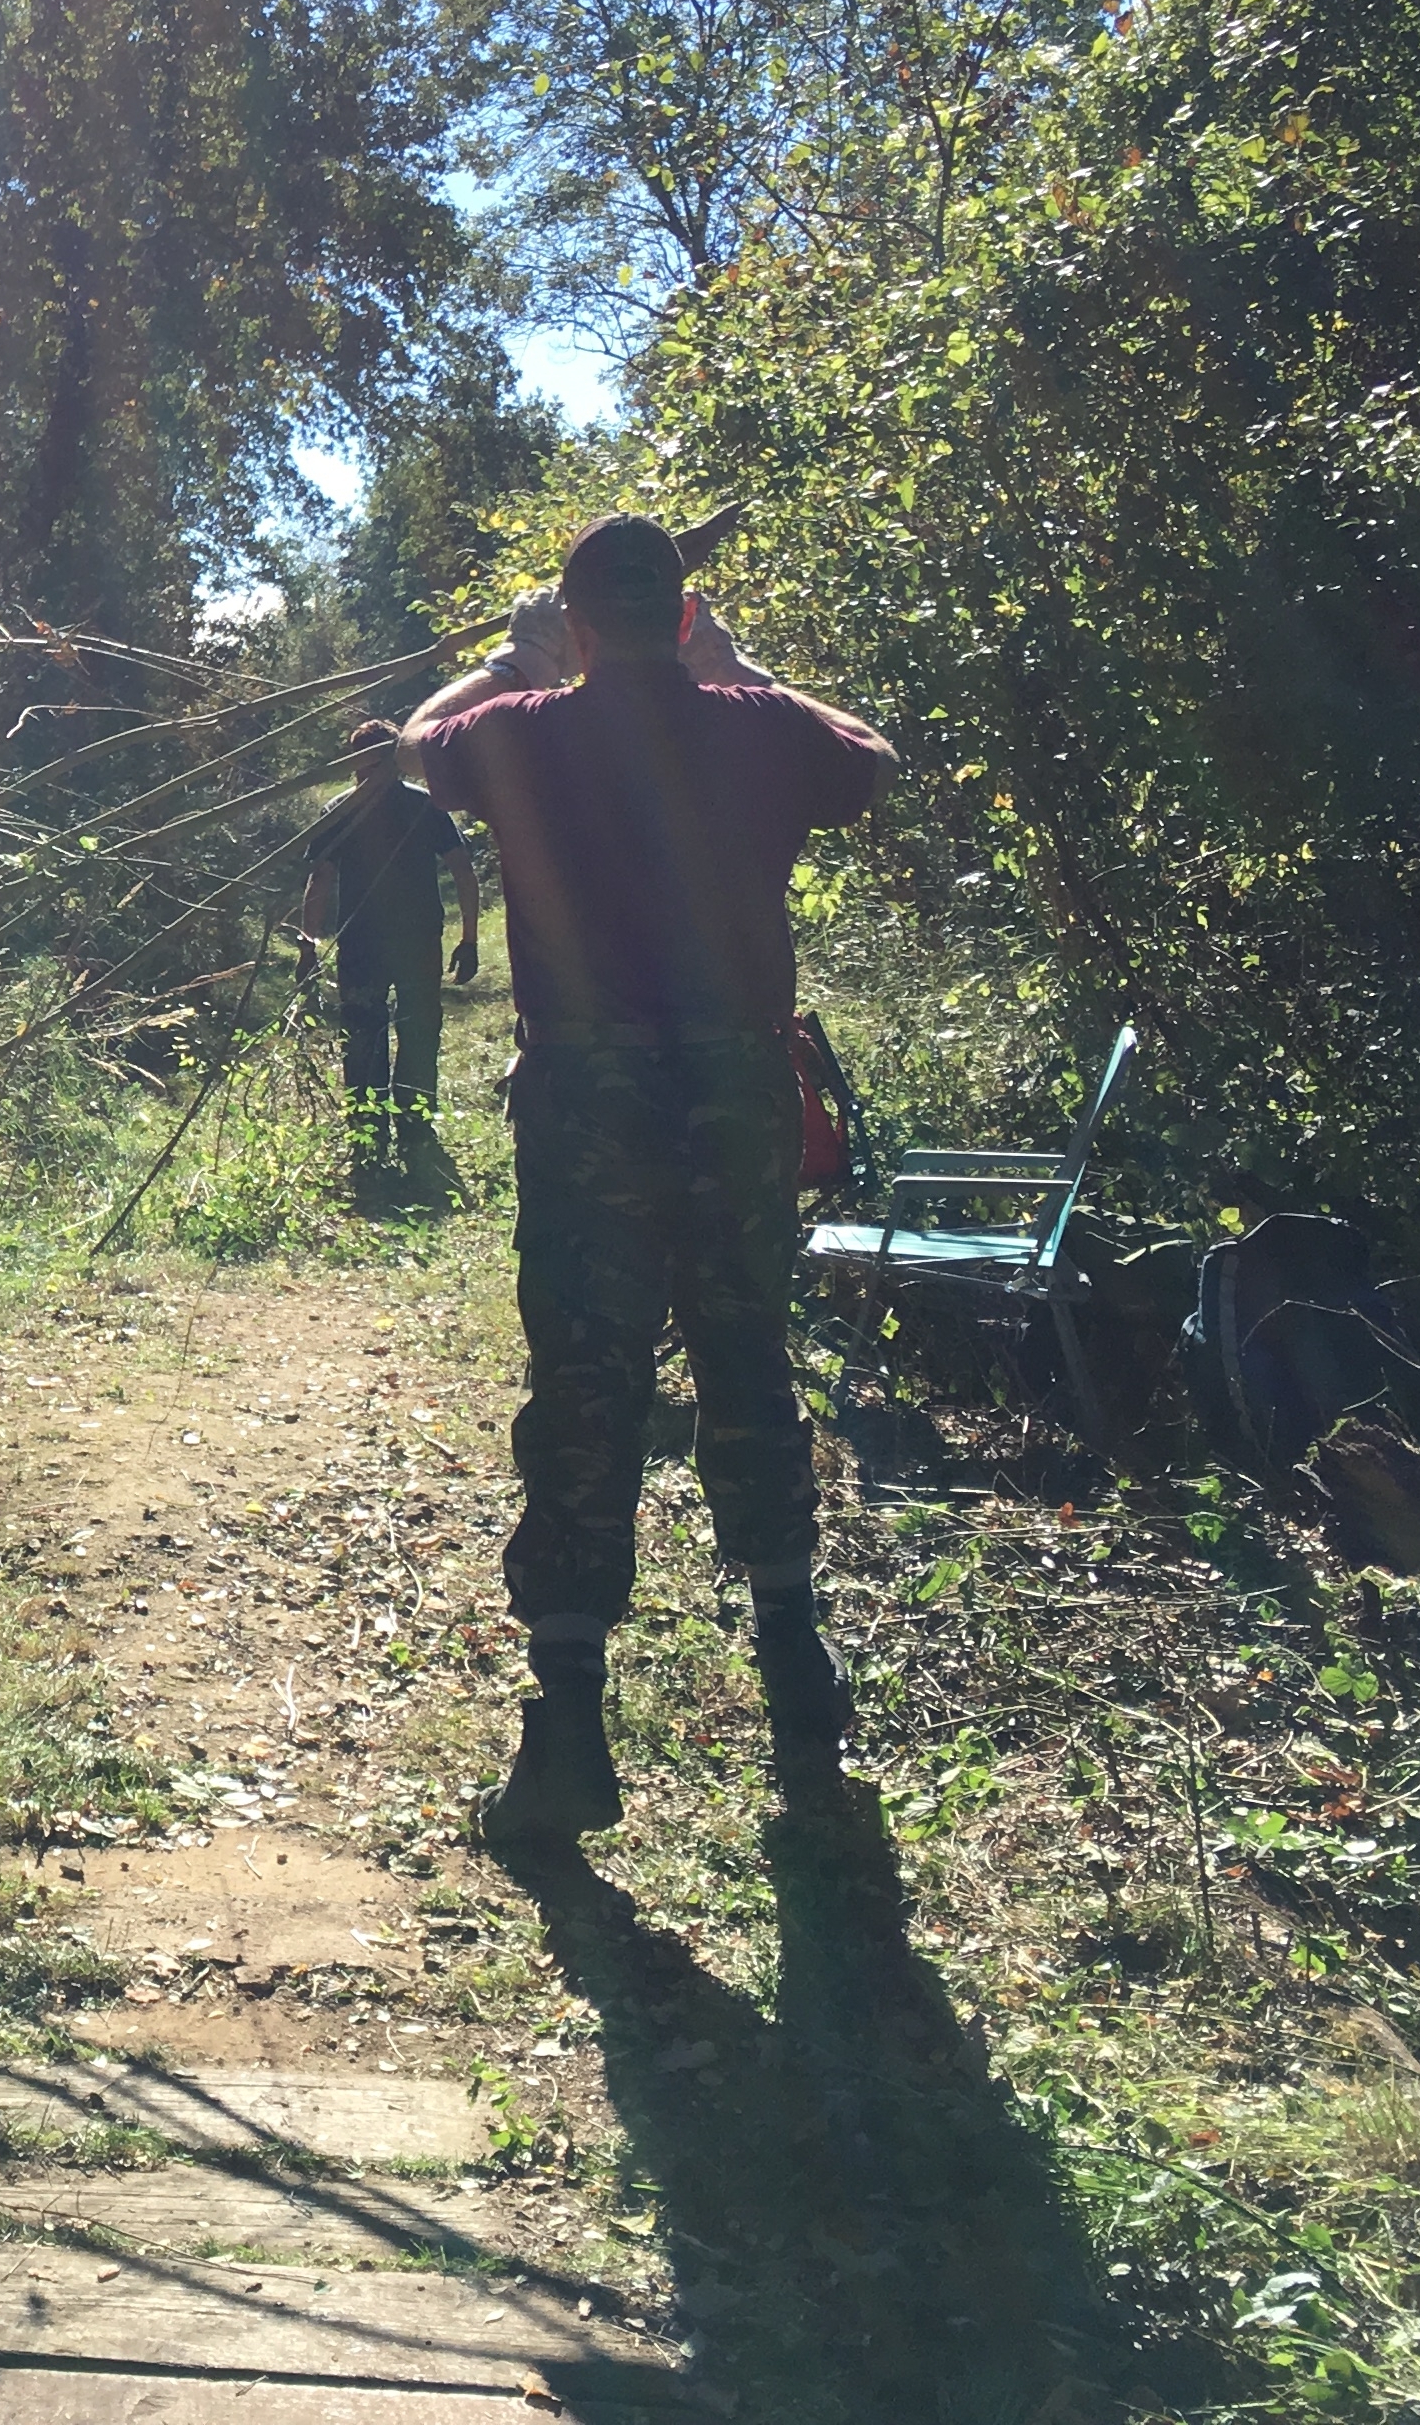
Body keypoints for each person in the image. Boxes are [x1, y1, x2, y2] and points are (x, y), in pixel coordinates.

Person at [402, 513, 897, 1847]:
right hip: (736, 1093)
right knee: (746, 1355)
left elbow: (408, 743)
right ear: (680, 615)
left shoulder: (525, 730)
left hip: (589, 1099)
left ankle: (566, 1730)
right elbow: (875, 756)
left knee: (585, 1377)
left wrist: (507, 668)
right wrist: (749, 666)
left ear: (573, 621)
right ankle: (799, 1684)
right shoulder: (756, 724)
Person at [297, 719, 480, 1158]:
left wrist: (308, 947)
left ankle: (376, 1131)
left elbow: (319, 881)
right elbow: (463, 871)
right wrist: (468, 938)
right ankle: (401, 1129)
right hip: (396, 941)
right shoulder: (416, 806)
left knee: (372, 1032)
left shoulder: (395, 807)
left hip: (380, 942)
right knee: (408, 1031)